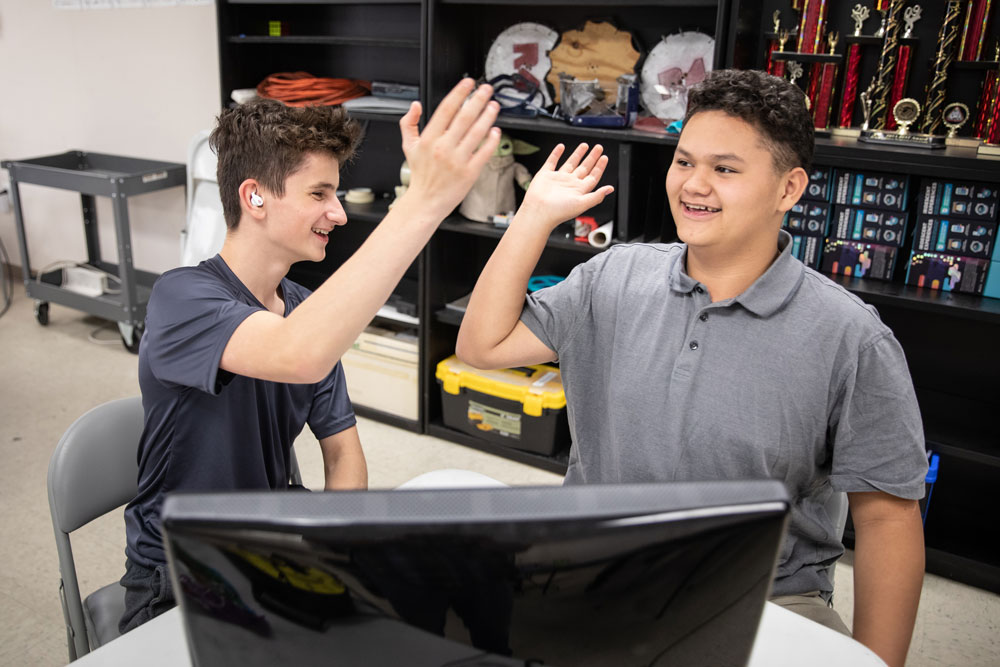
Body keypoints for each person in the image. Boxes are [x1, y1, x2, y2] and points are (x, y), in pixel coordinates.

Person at [456, 69, 927, 667]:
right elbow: (482, 346)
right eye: (684, 162)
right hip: (594, 571)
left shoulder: (852, 337)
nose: (693, 185)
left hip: (766, 601)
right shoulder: (613, 275)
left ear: (789, 189)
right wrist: (532, 218)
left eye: (725, 169)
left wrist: (877, 664)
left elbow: (888, 519)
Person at [120, 79, 503, 633]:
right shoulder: (181, 298)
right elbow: (295, 354)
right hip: (182, 573)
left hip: (276, 551)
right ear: (254, 197)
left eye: (336, 194)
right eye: (319, 194)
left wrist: (328, 552)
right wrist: (422, 202)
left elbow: (344, 456)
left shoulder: (304, 309)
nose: (340, 213)